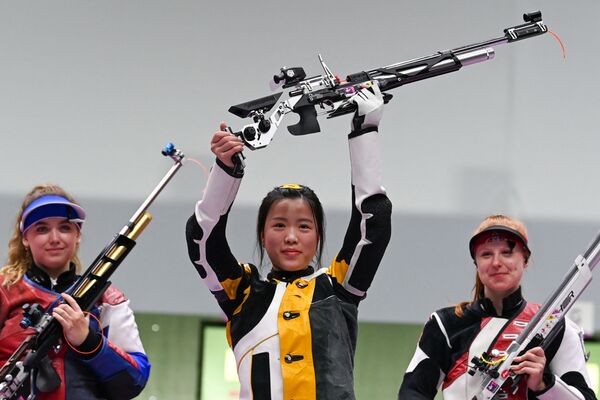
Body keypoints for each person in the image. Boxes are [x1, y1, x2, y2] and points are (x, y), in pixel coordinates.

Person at [185, 84, 392, 399]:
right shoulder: (242, 293)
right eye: (279, 225)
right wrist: (226, 171)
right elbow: (202, 240)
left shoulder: (339, 287)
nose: (291, 236)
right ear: (263, 235)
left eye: (304, 226)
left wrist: (365, 130)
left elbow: (373, 222)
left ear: (318, 235)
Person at [398, 214, 597, 399]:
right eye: (486, 254)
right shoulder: (445, 324)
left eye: (506, 252)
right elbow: (413, 393)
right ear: (476, 262)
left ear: (525, 259)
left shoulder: (555, 325)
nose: (496, 262)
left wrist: (544, 384)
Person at [0, 184, 151, 399]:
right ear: (25, 238)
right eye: (42, 229)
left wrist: (89, 342)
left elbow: (134, 382)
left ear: (77, 235)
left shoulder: (107, 299)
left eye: (65, 228)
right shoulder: (4, 290)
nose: (55, 238)